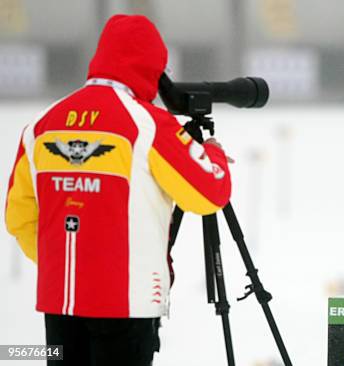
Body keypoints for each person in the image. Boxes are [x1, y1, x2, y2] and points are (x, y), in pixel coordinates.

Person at [4, 14, 232, 366]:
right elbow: (208, 194)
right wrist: (212, 150)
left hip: (59, 302)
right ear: (154, 67)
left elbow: (18, 217)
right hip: (127, 304)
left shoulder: (41, 124)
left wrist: (72, 263)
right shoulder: (149, 125)